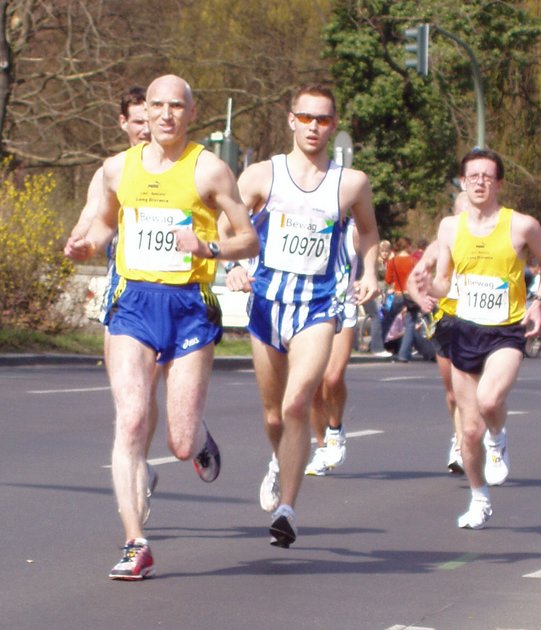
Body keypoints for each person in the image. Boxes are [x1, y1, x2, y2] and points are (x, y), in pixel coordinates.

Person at [64, 74, 259, 579]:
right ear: (143, 114)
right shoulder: (115, 170)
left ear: (192, 114)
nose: (167, 114)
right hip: (133, 302)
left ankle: (199, 437)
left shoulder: (210, 170)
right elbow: (105, 223)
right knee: (130, 419)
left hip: (189, 305)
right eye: (157, 105)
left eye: (177, 106)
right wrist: (86, 245)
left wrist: (209, 248)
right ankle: (136, 542)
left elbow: (248, 239)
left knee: (178, 440)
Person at [226, 84, 379, 548]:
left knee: (297, 404)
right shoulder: (259, 176)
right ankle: (279, 459)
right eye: (307, 118)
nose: (315, 127)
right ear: (291, 120)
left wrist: (369, 272)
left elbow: (369, 231)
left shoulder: (350, 183)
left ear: (334, 125)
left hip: (319, 307)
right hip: (268, 304)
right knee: (274, 415)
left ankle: (288, 511)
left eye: (324, 119)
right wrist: (233, 265)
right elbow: (225, 220)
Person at [423, 148, 541, 529]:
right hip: (464, 329)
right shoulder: (450, 227)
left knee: (490, 399)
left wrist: (536, 303)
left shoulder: (521, 226)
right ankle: (478, 497)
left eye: (487, 177)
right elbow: (445, 281)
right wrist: (428, 285)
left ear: (498, 183)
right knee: (467, 430)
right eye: (472, 176)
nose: (480, 182)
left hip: (506, 330)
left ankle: (497, 438)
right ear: (463, 183)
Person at [70, 86, 160, 524]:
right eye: (137, 120)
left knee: (151, 390)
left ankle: (168, 446)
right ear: (123, 123)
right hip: (122, 292)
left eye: (152, 118)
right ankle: (139, 469)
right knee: (130, 400)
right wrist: (79, 242)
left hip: (169, 293)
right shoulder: (111, 171)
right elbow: (91, 218)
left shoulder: (180, 168)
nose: (146, 128)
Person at [406, 191, 472, 475]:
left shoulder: (493, 241)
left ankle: (482, 438)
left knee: (482, 392)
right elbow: (413, 278)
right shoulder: (439, 245)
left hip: (483, 322)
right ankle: (459, 442)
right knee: (454, 392)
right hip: (448, 320)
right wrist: (421, 298)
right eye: (462, 214)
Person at [305, 219, 359, 476]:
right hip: (310, 308)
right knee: (313, 387)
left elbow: (371, 245)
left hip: (343, 307)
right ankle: (322, 445)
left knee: (333, 376)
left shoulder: (352, 229)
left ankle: (335, 429)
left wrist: (369, 274)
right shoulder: (306, 221)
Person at [383, 236, 417, 361]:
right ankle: (404, 353)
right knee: (410, 324)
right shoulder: (413, 261)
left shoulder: (393, 261)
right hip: (411, 295)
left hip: (398, 294)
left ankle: (380, 344)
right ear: (407, 246)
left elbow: (388, 280)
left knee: (389, 319)